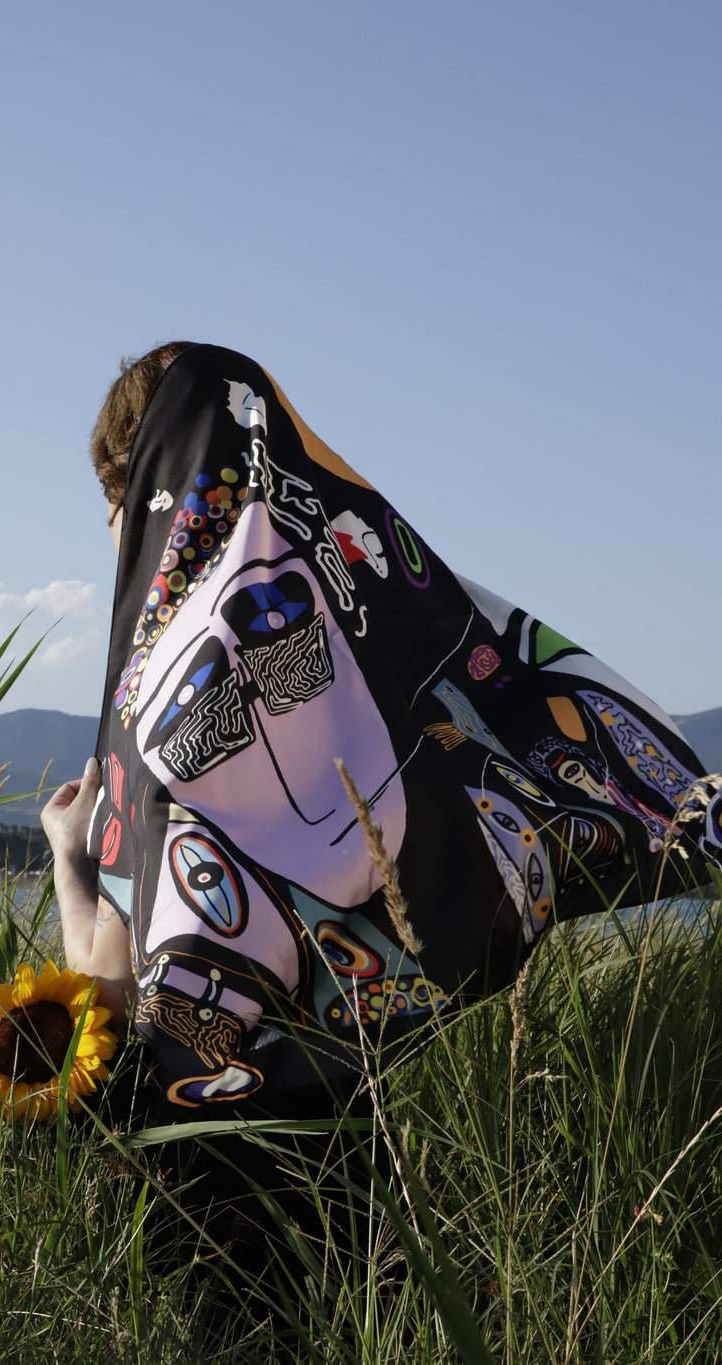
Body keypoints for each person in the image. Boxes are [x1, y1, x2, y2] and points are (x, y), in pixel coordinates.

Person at [41, 341, 722, 1123]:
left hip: (203, 1163)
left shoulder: (158, 704)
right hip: (364, 1165)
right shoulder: (384, 629)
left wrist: (69, 855)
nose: (109, 518)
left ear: (168, 473)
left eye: (119, 486)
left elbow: (106, 997)